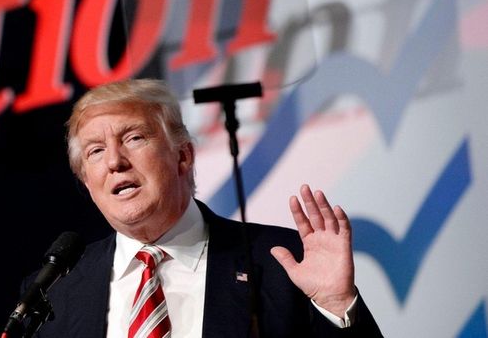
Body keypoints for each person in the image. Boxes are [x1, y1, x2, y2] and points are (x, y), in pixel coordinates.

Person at [27, 78, 382, 337]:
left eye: (134, 138)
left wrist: (338, 308)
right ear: (87, 180)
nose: (115, 161)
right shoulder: (55, 292)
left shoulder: (282, 262)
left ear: (183, 155)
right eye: (95, 151)